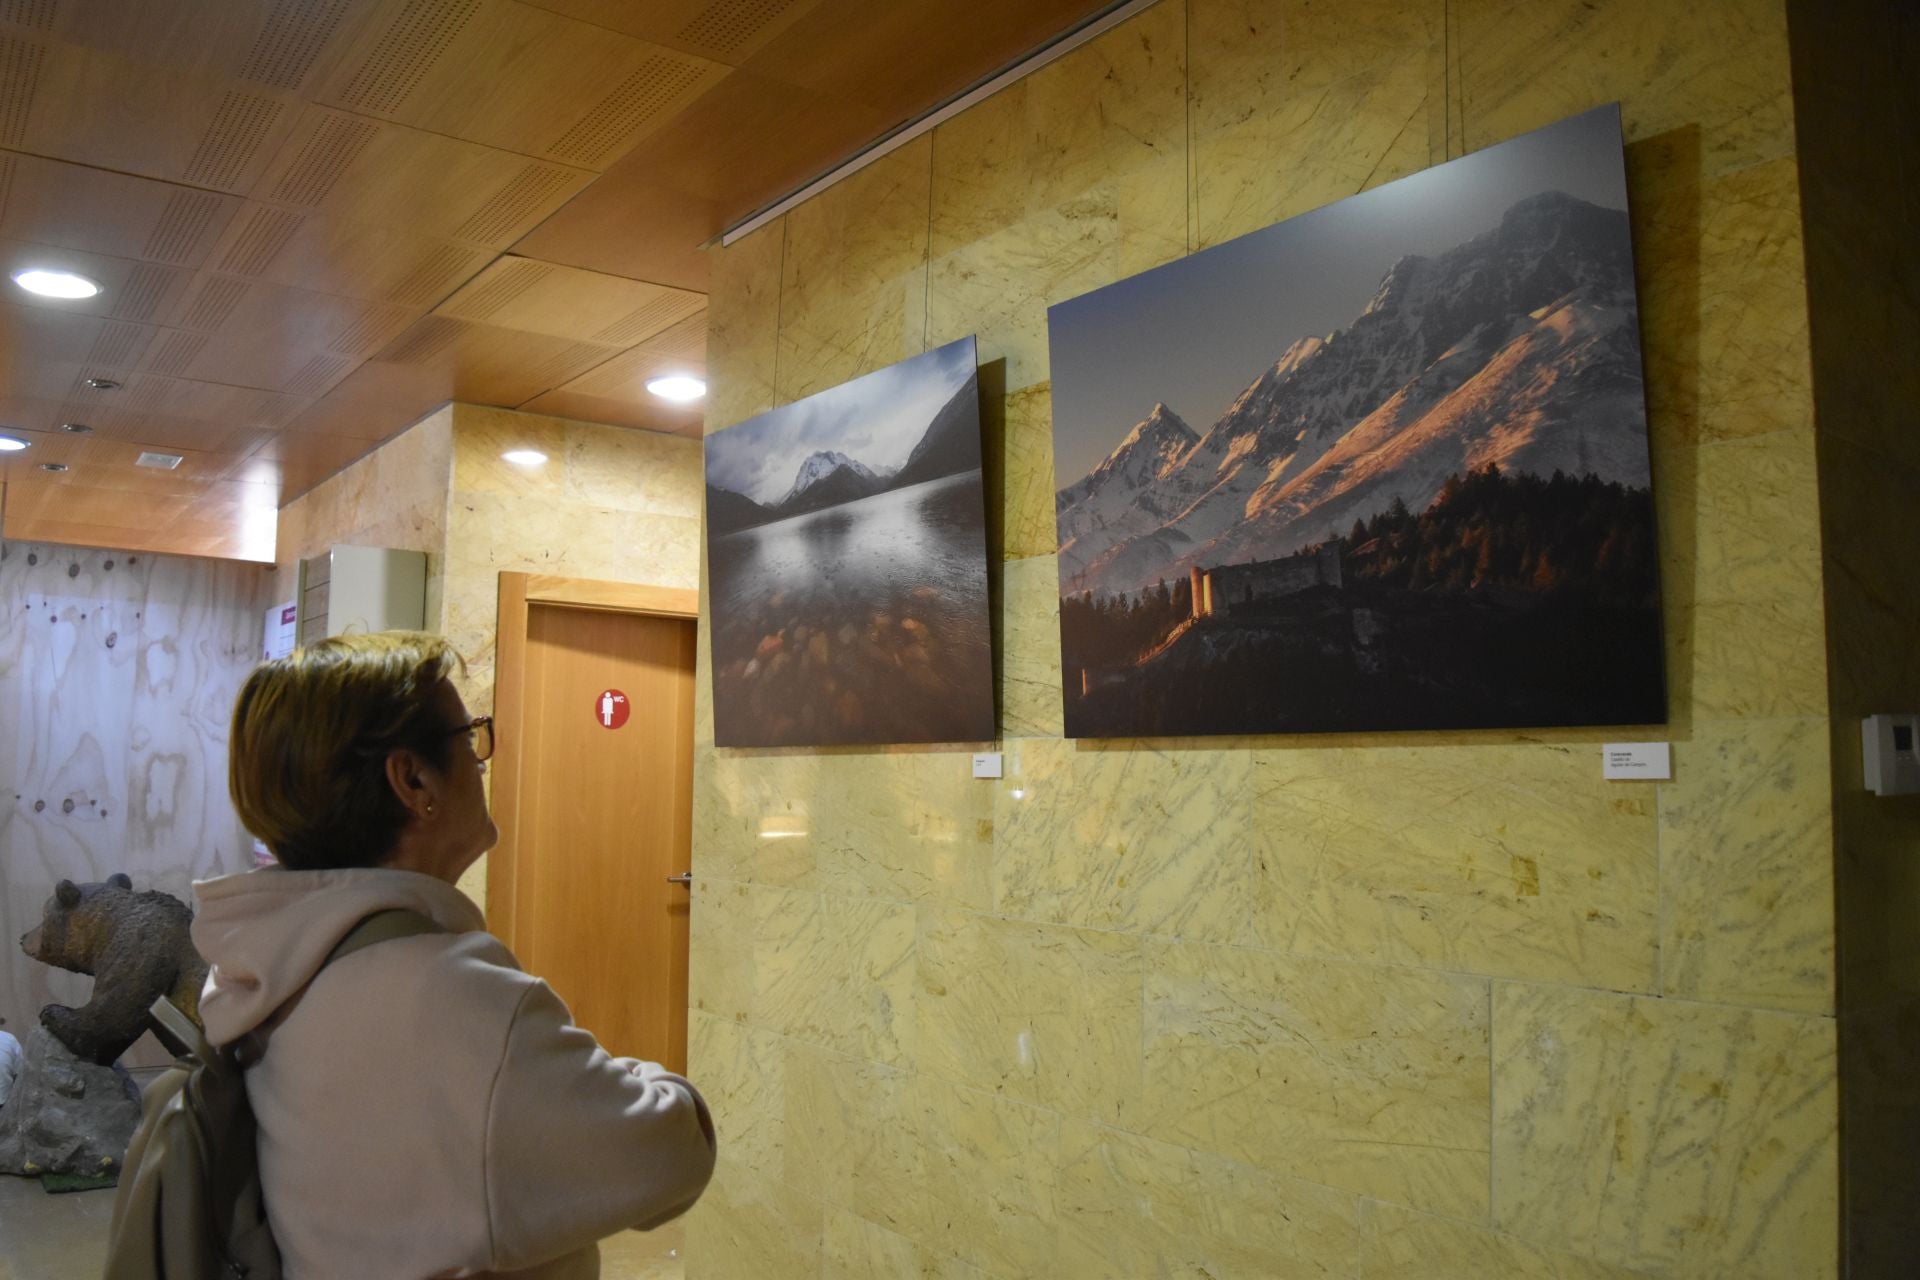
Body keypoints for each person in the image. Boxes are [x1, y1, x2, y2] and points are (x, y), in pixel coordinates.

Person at [192, 631, 715, 1279]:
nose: (481, 760)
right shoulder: (448, 996)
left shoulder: (276, 966)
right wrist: (639, 1076)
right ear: (414, 780)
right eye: (469, 739)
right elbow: (671, 1154)